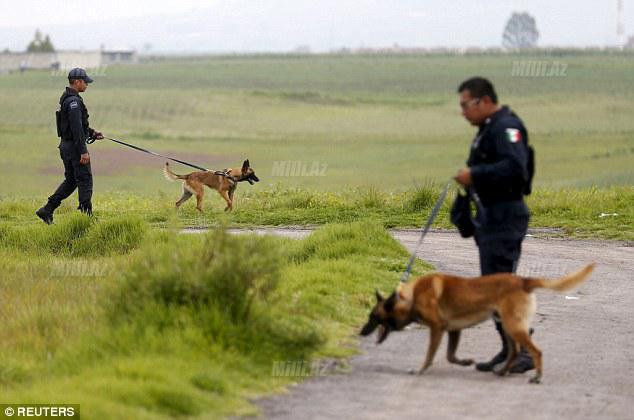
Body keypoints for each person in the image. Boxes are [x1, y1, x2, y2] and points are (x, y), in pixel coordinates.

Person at [453, 77, 535, 374]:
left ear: (484, 101)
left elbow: (515, 169)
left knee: (501, 289)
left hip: (505, 216)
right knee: (494, 289)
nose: (463, 112)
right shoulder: (489, 128)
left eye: (466, 105)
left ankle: (523, 349)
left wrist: (475, 175)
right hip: (491, 217)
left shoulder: (505, 127)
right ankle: (509, 349)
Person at [36, 68, 103, 224]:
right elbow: (76, 128)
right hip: (74, 148)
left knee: (72, 181)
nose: (87, 84)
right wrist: (83, 152)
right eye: (85, 82)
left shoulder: (67, 98)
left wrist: (92, 133)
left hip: (67, 146)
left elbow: (75, 125)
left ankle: (47, 210)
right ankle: (87, 218)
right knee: (85, 180)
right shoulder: (74, 102)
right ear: (78, 81)